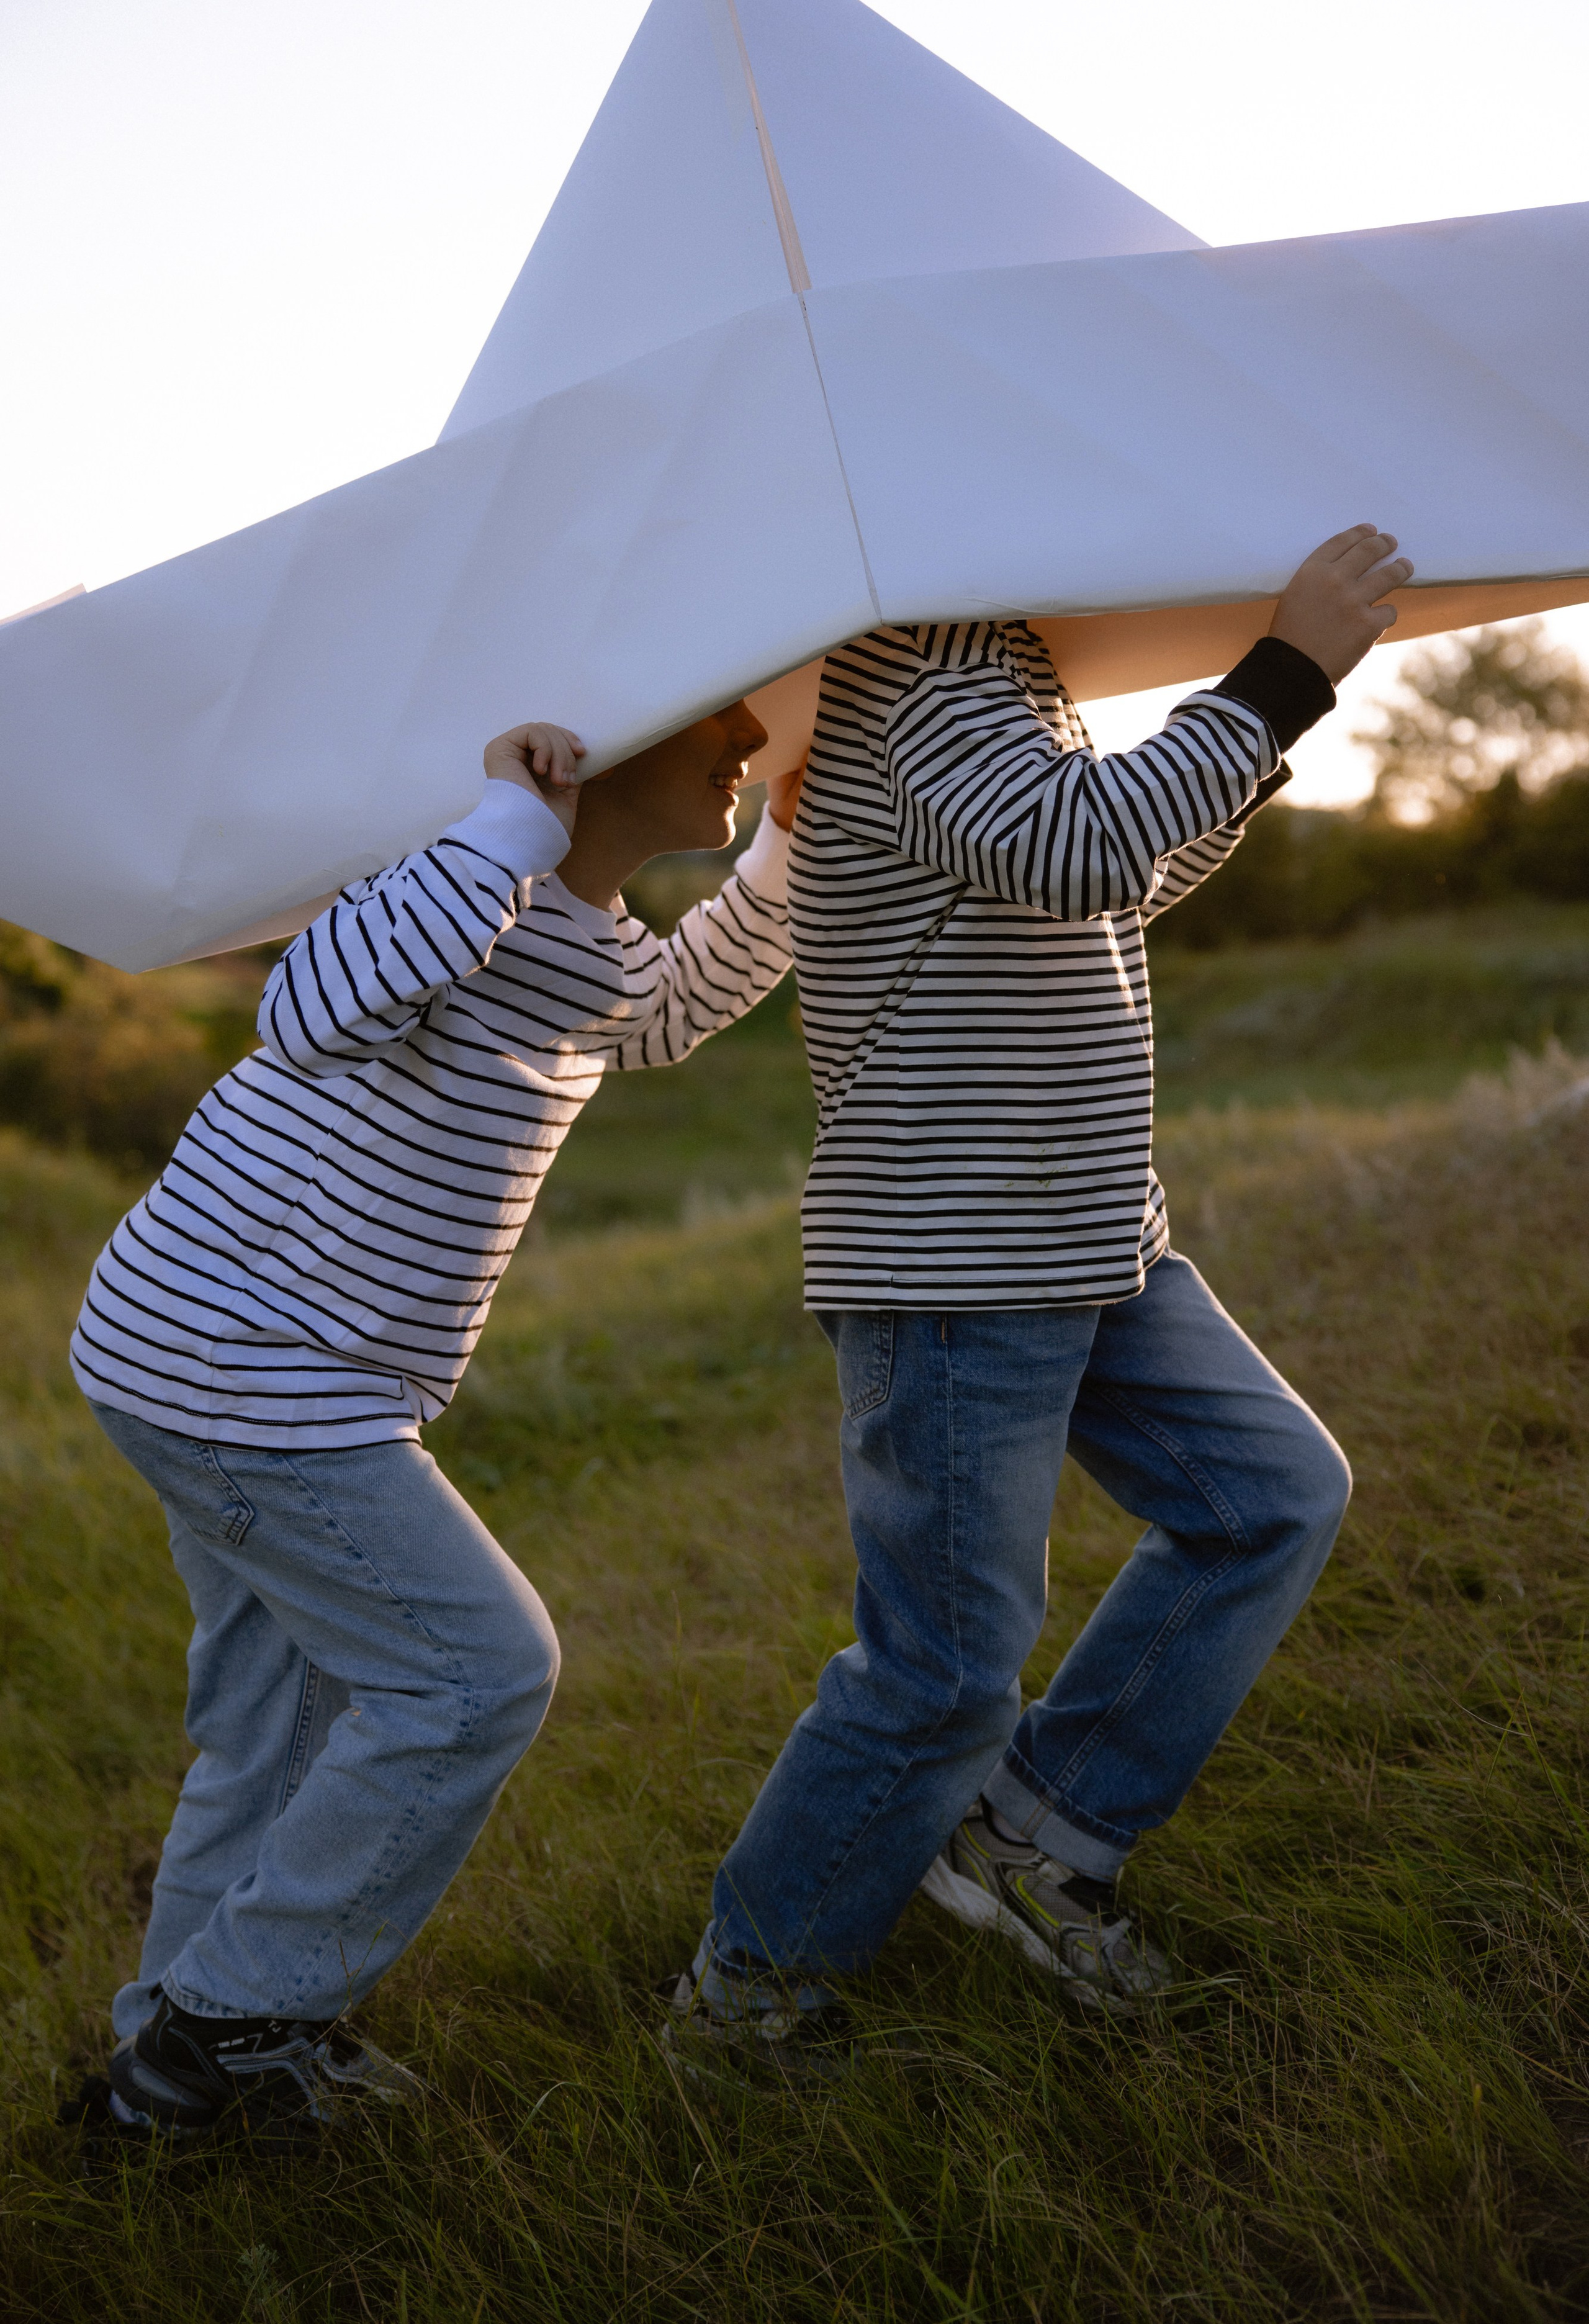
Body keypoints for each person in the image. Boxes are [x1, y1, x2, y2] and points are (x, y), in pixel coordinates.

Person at [665, 526, 1415, 2084]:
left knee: (1268, 1496)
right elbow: (1075, 847)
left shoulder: (1004, 666)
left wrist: (1270, 720)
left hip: (1091, 1241)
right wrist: (1277, 676)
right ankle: (748, 1997)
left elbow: (1105, 870)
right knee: (941, 1668)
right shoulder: (920, 657)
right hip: (958, 1262)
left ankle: (1035, 1827)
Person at [65, 700, 800, 2140]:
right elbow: (306, 1005)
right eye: (716, 706)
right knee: (477, 1668)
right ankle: (236, 2023)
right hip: (244, 1367)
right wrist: (508, 824)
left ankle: (169, 2063)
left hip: (236, 1367)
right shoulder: (449, 882)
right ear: (598, 732)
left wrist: (785, 843)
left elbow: (665, 1005)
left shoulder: (580, 944)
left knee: (283, 1716)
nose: (752, 727)